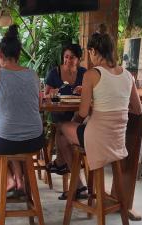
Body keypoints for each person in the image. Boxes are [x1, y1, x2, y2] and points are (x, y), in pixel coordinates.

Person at [56, 24, 142, 200]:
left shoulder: (91, 74)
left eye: (89, 53)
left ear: (94, 51)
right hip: (117, 140)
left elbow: (82, 112)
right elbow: (138, 109)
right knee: (70, 134)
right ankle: (74, 179)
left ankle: (74, 180)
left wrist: (74, 123)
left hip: (96, 138)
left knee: (62, 130)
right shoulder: (127, 75)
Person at [0, 25, 45, 194]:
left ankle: (9, 179)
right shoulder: (33, 75)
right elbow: (37, 106)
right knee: (10, 136)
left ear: (0, 55)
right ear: (18, 56)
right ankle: (20, 180)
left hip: (6, 141)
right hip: (35, 140)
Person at [44, 44, 87, 175]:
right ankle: (64, 162)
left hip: (78, 113)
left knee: (63, 128)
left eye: (72, 57)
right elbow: (46, 95)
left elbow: (90, 94)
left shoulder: (84, 73)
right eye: (66, 57)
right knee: (61, 124)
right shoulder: (54, 72)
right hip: (59, 112)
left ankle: (61, 162)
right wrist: (52, 92)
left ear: (78, 59)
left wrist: (83, 90)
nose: (68, 60)